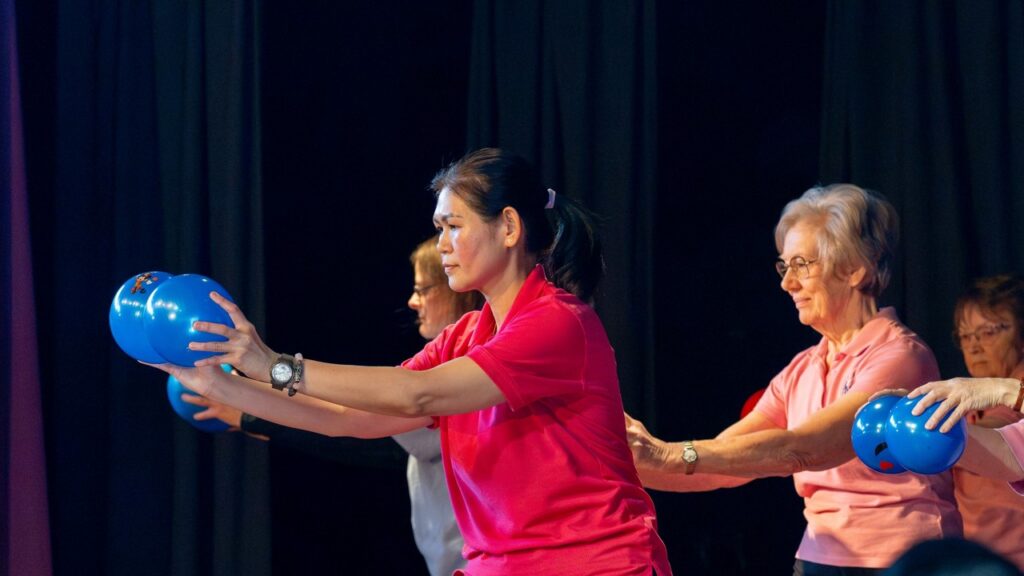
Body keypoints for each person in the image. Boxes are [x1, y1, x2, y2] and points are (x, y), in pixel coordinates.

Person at [151, 148, 673, 575]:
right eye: (438, 228)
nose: (442, 245)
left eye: (453, 226)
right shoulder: (466, 335)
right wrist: (219, 385)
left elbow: (417, 394)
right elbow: (353, 418)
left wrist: (271, 364)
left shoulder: (557, 323)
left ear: (509, 227)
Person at [626, 184, 961, 575]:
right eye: (785, 267)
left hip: (905, 560)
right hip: (820, 557)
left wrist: (664, 454)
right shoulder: (801, 368)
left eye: (802, 265)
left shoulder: (901, 356)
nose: (788, 283)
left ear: (854, 268)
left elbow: (808, 448)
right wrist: (623, 462)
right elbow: (724, 460)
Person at [183, 238, 480, 576]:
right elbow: (346, 418)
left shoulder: (473, 365)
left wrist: (261, 382)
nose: (413, 302)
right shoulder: (438, 359)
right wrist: (222, 387)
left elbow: (369, 433)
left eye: (422, 289)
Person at [937, 275, 1024, 569]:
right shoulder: (970, 404)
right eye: (965, 335)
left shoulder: (1014, 396)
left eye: (987, 332)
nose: (973, 347)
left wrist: (927, 420)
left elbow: (1000, 430)